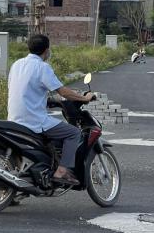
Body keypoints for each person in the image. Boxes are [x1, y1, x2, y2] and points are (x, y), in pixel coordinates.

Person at [7, 34, 94, 186]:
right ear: (46, 51)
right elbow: (64, 92)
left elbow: (23, 90)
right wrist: (84, 98)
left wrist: (45, 101)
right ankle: (61, 171)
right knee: (73, 133)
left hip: (14, 118)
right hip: (33, 120)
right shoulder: (42, 67)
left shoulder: (17, 64)